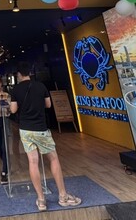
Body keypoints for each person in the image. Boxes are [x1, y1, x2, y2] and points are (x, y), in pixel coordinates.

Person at [10, 62, 82, 212]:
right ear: (30, 73)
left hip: (25, 130)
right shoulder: (40, 86)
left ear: (19, 75)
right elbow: (48, 105)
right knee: (53, 159)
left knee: (33, 162)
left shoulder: (16, 89)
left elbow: (13, 109)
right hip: (41, 128)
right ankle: (63, 196)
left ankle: (41, 200)